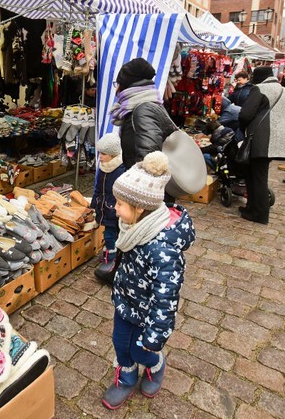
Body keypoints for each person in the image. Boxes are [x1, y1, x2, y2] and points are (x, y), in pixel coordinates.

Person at [102, 151, 194, 410]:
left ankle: (156, 366)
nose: (115, 208)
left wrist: (155, 335)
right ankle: (127, 378)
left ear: (140, 208)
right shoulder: (133, 228)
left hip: (148, 312)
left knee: (141, 350)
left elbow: (166, 298)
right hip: (126, 302)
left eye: (120, 204)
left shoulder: (162, 250)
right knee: (121, 344)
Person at [237, 66, 285, 224]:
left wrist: (243, 129)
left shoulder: (260, 89)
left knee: (258, 176)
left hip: (262, 138)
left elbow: (245, 114)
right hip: (278, 138)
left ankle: (260, 214)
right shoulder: (283, 90)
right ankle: (251, 207)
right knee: (254, 173)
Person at [111, 58, 176, 170]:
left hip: (142, 178)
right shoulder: (145, 106)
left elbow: (149, 159)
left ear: (126, 85)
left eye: (118, 84)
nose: (116, 89)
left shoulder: (144, 110)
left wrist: (137, 179)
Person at [92, 133, 126, 284]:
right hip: (104, 207)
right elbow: (98, 187)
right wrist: (95, 203)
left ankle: (111, 258)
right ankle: (111, 252)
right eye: (99, 153)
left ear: (113, 155)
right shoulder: (103, 167)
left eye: (103, 154)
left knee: (110, 235)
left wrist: (116, 207)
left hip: (114, 210)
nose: (100, 156)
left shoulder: (120, 170)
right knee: (109, 233)